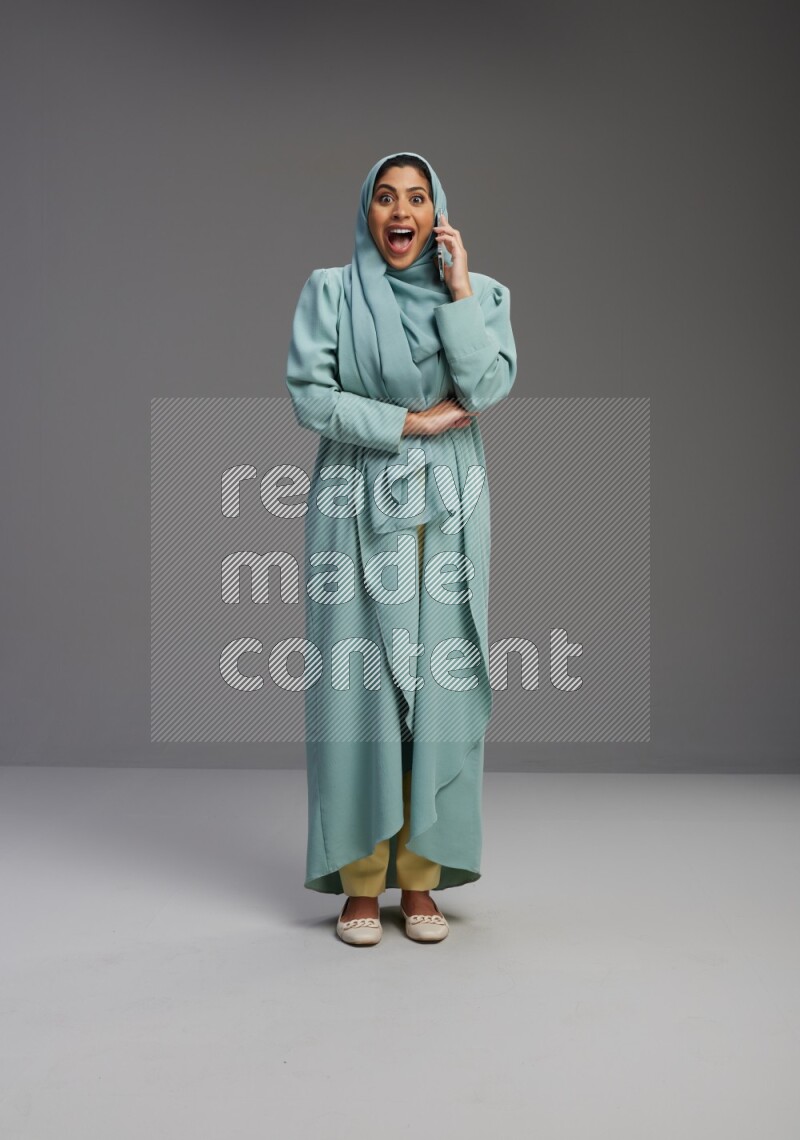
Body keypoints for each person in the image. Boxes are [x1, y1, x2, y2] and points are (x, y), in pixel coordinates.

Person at [285, 151, 517, 945]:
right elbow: (309, 395)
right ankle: (359, 880)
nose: (398, 210)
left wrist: (457, 291)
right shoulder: (331, 291)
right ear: (368, 211)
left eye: (416, 197)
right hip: (355, 499)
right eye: (385, 197)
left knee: (440, 689)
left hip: (449, 508)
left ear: (437, 212)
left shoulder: (482, 297)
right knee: (358, 689)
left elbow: (485, 390)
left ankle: (421, 881)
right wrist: (408, 424)